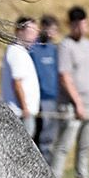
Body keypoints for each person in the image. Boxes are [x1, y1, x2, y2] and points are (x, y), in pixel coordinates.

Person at [51, 6, 89, 178]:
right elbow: (64, 76)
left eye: (84, 23)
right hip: (71, 105)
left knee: (86, 144)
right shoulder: (66, 46)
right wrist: (77, 103)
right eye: (77, 24)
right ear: (71, 25)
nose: (81, 27)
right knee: (64, 144)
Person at [0, 18, 40, 135]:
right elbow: (17, 83)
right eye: (31, 32)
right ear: (19, 31)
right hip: (20, 113)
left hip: (23, 111)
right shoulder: (16, 51)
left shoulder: (21, 51)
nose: (35, 36)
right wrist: (25, 108)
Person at [29, 15, 63, 155]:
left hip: (54, 97)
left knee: (50, 137)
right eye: (49, 29)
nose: (51, 33)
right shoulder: (33, 49)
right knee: (41, 137)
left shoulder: (54, 49)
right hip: (40, 99)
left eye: (55, 30)